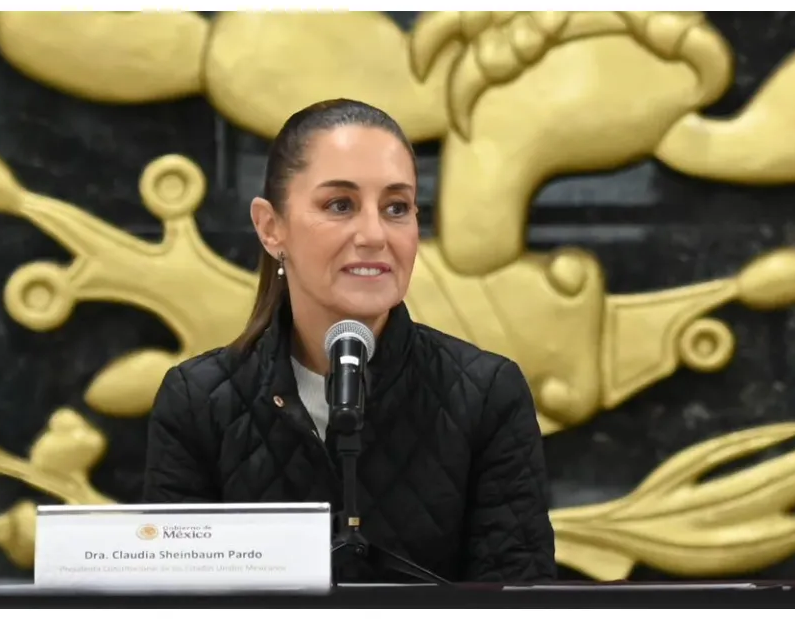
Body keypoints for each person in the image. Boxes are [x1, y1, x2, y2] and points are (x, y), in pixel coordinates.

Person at [143, 98, 556, 584]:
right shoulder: (199, 401)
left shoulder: (486, 394)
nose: (374, 234)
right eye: (340, 205)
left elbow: (520, 598)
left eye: (397, 208)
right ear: (270, 227)